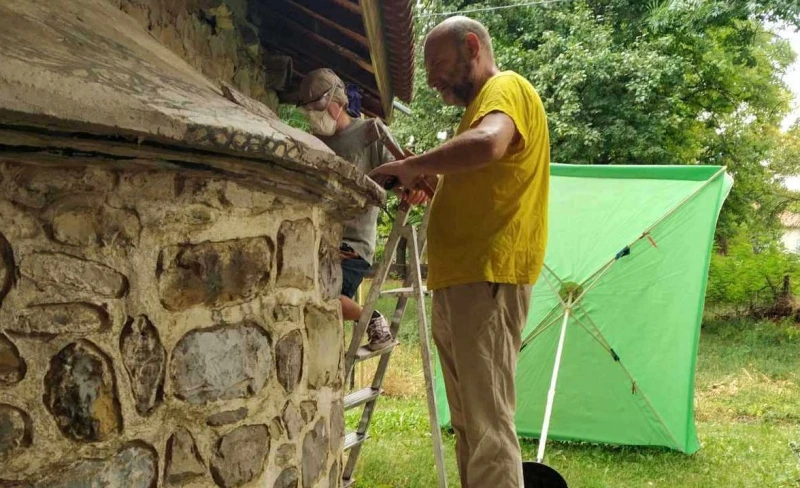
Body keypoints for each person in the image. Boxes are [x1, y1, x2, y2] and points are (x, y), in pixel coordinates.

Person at [370, 16, 550, 488]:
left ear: (472, 46)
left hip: (487, 276)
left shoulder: (506, 88)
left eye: (438, 65)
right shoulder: (477, 112)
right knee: (470, 422)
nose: (430, 80)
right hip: (462, 280)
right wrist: (433, 181)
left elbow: (489, 145)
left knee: (488, 426)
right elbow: (482, 166)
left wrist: (412, 164)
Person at [296, 68, 426, 351]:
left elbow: (402, 178)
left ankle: (372, 320)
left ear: (336, 101)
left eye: (316, 108)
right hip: (318, 236)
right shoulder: (314, 141)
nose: (312, 116)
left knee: (326, 292)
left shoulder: (370, 133)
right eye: (307, 111)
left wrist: (412, 189)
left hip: (352, 244)